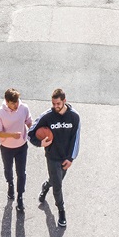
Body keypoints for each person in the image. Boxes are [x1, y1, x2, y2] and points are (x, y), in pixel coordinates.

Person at [29, 88, 80, 228]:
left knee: (56, 180)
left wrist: (71, 158)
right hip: (52, 157)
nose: (55, 106)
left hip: (66, 158)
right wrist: (40, 143)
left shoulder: (74, 117)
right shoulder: (47, 116)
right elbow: (30, 133)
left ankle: (46, 185)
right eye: (53, 103)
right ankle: (61, 211)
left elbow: (76, 139)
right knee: (58, 186)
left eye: (58, 103)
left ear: (64, 101)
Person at [0, 88, 34, 212]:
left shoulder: (24, 108)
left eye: (17, 102)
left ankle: (20, 196)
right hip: (7, 148)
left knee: (21, 172)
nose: (16, 105)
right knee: (8, 169)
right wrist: (11, 135)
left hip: (22, 145)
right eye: (13, 103)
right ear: (6, 101)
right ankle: (10, 184)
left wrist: (35, 131)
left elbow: (29, 122)